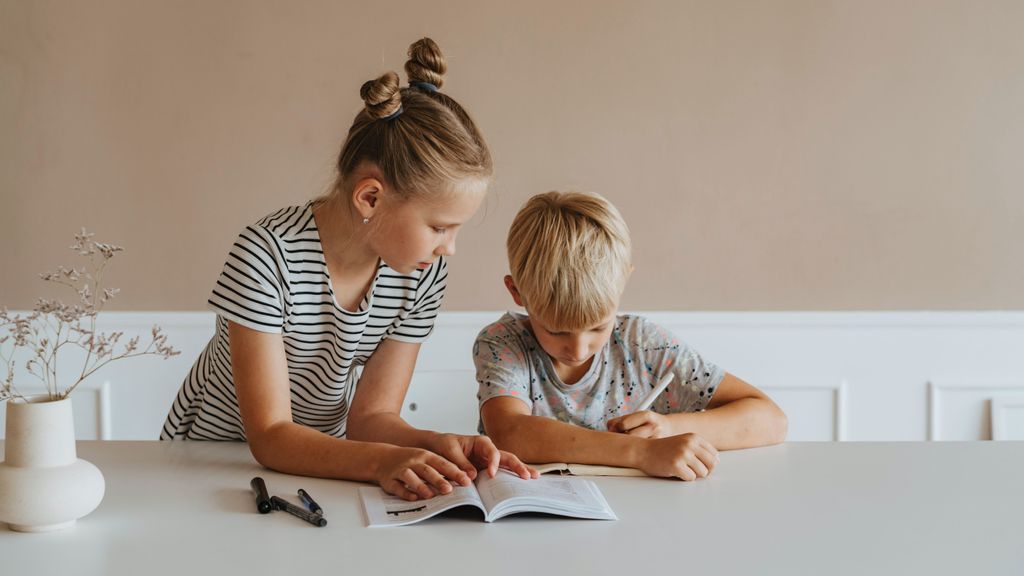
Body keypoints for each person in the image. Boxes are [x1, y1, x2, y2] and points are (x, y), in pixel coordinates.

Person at [161, 38, 535, 501]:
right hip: (207, 465)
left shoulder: (420, 273)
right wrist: (383, 461)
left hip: (321, 463)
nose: (449, 248)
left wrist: (439, 444)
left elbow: (370, 419)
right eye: (439, 227)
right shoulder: (265, 256)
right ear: (371, 197)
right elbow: (271, 434)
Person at [475, 191, 788, 480]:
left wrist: (667, 429)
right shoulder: (503, 342)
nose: (579, 349)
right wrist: (641, 452)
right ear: (516, 291)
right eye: (556, 331)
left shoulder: (644, 344)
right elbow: (511, 433)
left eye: (598, 327)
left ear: (623, 283)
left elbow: (771, 421)